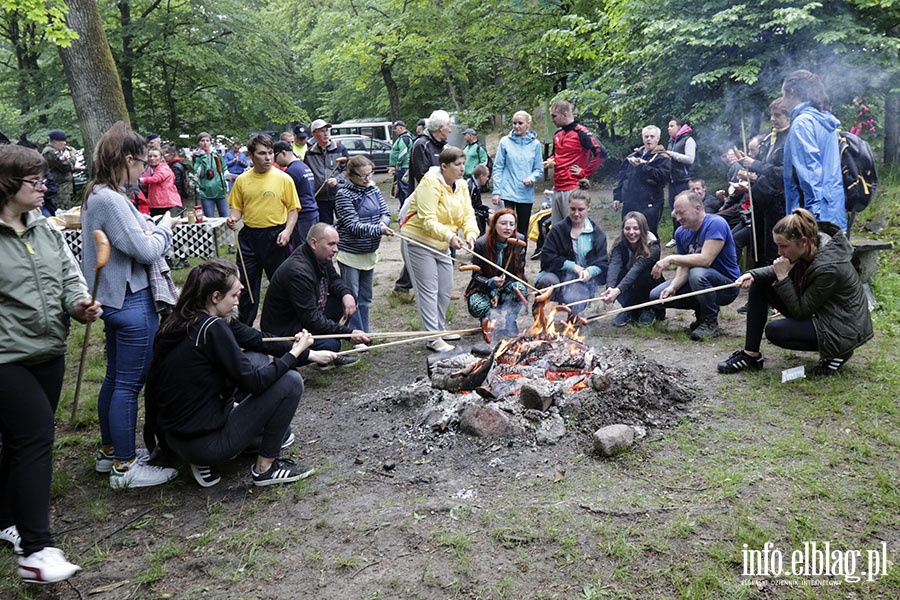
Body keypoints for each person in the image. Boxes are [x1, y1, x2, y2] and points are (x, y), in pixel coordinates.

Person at [0, 144, 101, 583]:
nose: (45, 187)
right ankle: (36, 550)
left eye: (45, 179)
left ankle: (6, 516)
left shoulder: (44, 228)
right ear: (7, 184)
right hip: (6, 358)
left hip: (48, 350)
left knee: (17, 443)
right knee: (36, 437)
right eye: (35, 181)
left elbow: (66, 275)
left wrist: (78, 304)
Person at [148, 260, 333, 487]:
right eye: (234, 296)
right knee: (291, 381)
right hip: (204, 444)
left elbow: (164, 387)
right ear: (215, 296)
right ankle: (266, 469)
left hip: (176, 438)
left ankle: (203, 456)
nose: (237, 303)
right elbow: (254, 383)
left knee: (256, 359)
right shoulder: (213, 328)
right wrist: (294, 354)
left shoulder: (177, 321)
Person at [81, 121, 181, 489]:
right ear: (126, 159)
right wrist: (164, 229)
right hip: (130, 300)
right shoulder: (110, 198)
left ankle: (110, 452)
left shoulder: (96, 194)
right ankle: (125, 466)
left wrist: (149, 228)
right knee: (129, 384)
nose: (145, 170)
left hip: (111, 298)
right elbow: (146, 249)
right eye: (142, 163)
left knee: (114, 379)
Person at [717, 209, 872, 376]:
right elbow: (782, 266)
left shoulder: (829, 268)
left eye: (783, 246)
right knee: (760, 285)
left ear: (803, 241)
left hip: (843, 327)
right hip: (823, 314)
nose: (779, 252)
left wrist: (783, 278)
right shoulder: (810, 248)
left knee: (775, 331)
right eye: (778, 245)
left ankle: (840, 351)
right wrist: (752, 274)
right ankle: (751, 356)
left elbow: (800, 311)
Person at [400, 146, 478, 352]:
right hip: (418, 241)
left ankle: (440, 328)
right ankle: (432, 337)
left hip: (442, 244)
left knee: (444, 289)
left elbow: (468, 214)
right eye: (457, 164)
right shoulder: (430, 183)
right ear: (444, 166)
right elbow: (427, 220)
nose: (462, 168)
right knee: (428, 290)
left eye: (463, 164)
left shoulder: (461, 185)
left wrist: (470, 233)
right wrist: (450, 236)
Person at [260, 223, 370, 366]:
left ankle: (322, 350)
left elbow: (334, 280)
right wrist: (348, 333)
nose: (336, 249)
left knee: (340, 299)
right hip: (284, 331)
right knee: (331, 345)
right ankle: (290, 358)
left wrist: (346, 294)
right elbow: (311, 318)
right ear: (314, 243)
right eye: (331, 244)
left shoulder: (320, 256)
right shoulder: (298, 272)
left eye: (337, 244)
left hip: (302, 317)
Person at [226, 133, 300, 325]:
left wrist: (287, 232)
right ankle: (244, 329)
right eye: (262, 153)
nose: (268, 158)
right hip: (250, 237)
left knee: (281, 283)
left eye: (270, 153)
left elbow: (293, 210)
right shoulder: (242, 180)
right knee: (246, 286)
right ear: (251, 155)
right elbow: (237, 208)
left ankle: (282, 328)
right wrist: (233, 219)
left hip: (277, 235)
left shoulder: (284, 179)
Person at [649, 190, 740, 341]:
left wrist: (671, 258)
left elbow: (706, 260)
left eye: (681, 213)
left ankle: (710, 322)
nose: (678, 218)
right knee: (656, 296)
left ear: (697, 208)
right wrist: (674, 287)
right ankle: (701, 311)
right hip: (700, 281)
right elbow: (684, 265)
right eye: (676, 213)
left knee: (697, 273)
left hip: (726, 287)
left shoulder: (715, 223)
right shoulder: (680, 233)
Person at [393, 110, 452, 300]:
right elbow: (423, 176)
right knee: (422, 244)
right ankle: (403, 286)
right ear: (440, 128)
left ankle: (442, 287)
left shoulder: (444, 146)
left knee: (439, 242)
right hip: (423, 203)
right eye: (449, 126)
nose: (451, 129)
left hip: (442, 201)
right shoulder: (421, 145)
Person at [334, 155, 393, 334]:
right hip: (351, 253)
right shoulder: (343, 194)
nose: (367, 179)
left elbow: (386, 213)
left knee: (366, 297)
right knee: (352, 296)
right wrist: (379, 229)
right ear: (350, 175)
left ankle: (364, 332)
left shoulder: (373, 188)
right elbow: (353, 226)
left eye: (370, 174)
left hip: (369, 251)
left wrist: (384, 223)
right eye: (362, 175)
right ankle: (355, 333)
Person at [780, 70, 846, 230]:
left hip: (815, 218)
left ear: (792, 92)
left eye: (782, 95)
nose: (782, 102)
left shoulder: (802, 123)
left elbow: (810, 175)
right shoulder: (824, 120)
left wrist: (810, 222)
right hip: (833, 210)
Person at [535, 189, 608, 318]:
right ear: (568, 207)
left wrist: (589, 271)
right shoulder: (558, 230)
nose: (576, 213)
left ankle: (574, 317)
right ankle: (540, 319)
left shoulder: (597, 233)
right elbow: (547, 257)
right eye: (572, 209)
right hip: (556, 275)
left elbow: (602, 263)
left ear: (588, 208)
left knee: (575, 319)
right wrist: (573, 266)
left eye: (581, 209)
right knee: (546, 282)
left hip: (582, 281)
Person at [739, 98, 791, 267]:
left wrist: (755, 165)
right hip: (761, 200)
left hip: (777, 204)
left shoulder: (790, 139)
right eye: (771, 115)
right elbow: (763, 169)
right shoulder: (770, 137)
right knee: (758, 249)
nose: (773, 119)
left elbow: (784, 173)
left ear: (788, 116)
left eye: (778, 115)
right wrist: (749, 168)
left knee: (771, 248)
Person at [464, 209, 527, 338]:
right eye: (503, 223)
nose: (508, 228)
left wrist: (503, 285)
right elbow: (476, 276)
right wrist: (491, 285)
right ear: (494, 224)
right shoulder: (481, 243)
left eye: (511, 224)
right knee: (477, 305)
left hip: (507, 285)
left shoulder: (519, 241)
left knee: (519, 289)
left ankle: (510, 322)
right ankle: (486, 322)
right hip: (484, 287)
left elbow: (519, 272)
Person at [599, 211, 665, 327]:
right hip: (631, 285)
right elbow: (614, 265)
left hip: (649, 285)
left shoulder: (653, 246)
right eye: (627, 229)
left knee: (642, 275)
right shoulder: (619, 244)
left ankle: (648, 309)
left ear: (643, 229)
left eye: (636, 228)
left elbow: (637, 269)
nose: (631, 232)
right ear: (623, 230)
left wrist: (617, 290)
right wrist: (610, 287)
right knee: (615, 273)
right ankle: (629, 309)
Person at [544, 100, 605, 225]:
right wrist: (551, 161)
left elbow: (601, 153)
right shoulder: (558, 134)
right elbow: (555, 155)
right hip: (557, 188)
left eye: (554, 116)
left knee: (574, 228)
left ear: (565, 114)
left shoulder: (581, 132)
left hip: (572, 188)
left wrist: (584, 172)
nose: (552, 120)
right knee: (557, 231)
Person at [490, 110, 543, 242]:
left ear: (528, 124)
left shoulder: (535, 144)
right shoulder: (505, 142)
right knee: (505, 228)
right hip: (507, 191)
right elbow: (498, 167)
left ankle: (520, 260)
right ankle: (504, 258)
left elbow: (538, 168)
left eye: (520, 123)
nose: (517, 126)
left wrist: (531, 178)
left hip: (525, 193)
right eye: (514, 123)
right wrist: (497, 191)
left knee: (522, 230)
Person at [612, 125, 671, 237]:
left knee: (649, 234)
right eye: (646, 136)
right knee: (628, 234)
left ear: (657, 139)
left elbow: (662, 177)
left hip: (650, 203)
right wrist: (617, 197)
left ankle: (651, 255)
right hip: (630, 201)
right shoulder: (633, 156)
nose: (649, 139)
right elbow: (623, 177)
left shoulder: (663, 158)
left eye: (652, 136)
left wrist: (643, 166)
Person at [304, 119, 349, 225]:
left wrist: (337, 180)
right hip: (321, 198)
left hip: (339, 194)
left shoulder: (340, 149)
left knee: (345, 225)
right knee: (325, 227)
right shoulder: (309, 153)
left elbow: (348, 170)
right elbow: (307, 175)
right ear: (314, 134)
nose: (325, 133)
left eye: (327, 130)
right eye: (321, 131)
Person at [273, 140, 318, 244]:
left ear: (283, 153)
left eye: (275, 157)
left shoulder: (291, 172)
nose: (275, 162)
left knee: (302, 250)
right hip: (312, 212)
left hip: (302, 216)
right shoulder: (303, 167)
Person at [666, 118, 696, 243]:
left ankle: (688, 234)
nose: (668, 128)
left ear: (679, 127)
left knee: (684, 208)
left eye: (671, 126)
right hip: (672, 180)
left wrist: (671, 154)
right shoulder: (671, 141)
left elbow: (690, 159)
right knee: (674, 207)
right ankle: (676, 236)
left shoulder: (688, 140)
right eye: (668, 126)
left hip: (684, 180)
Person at [193, 132, 229, 219]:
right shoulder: (197, 157)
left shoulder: (216, 155)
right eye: (202, 141)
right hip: (206, 193)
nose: (205, 143)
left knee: (225, 217)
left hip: (220, 191)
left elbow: (224, 168)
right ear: (199, 143)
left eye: (207, 140)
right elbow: (200, 173)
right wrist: (204, 157)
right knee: (209, 219)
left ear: (210, 142)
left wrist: (225, 181)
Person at [139, 148, 183, 217]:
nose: (152, 158)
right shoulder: (156, 169)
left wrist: (139, 180)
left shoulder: (164, 168)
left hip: (169, 206)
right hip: (158, 206)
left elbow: (156, 179)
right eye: (150, 156)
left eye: (155, 156)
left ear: (161, 158)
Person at [41, 129, 79, 209]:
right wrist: (73, 156)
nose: (65, 143)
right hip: (60, 189)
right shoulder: (51, 152)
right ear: (55, 142)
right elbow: (66, 166)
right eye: (62, 141)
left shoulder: (55, 151)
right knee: (63, 210)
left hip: (63, 188)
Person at [388, 120, 414, 208]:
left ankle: (405, 208)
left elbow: (403, 151)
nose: (395, 131)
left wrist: (398, 164)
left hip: (403, 167)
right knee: (402, 188)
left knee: (404, 189)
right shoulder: (405, 137)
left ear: (401, 128)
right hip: (403, 167)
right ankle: (403, 207)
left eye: (396, 128)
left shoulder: (404, 138)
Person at [467, 164, 492, 235]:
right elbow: (470, 209)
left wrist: (487, 210)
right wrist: (486, 215)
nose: (488, 179)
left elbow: (478, 205)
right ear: (481, 177)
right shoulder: (470, 187)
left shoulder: (477, 186)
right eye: (487, 176)